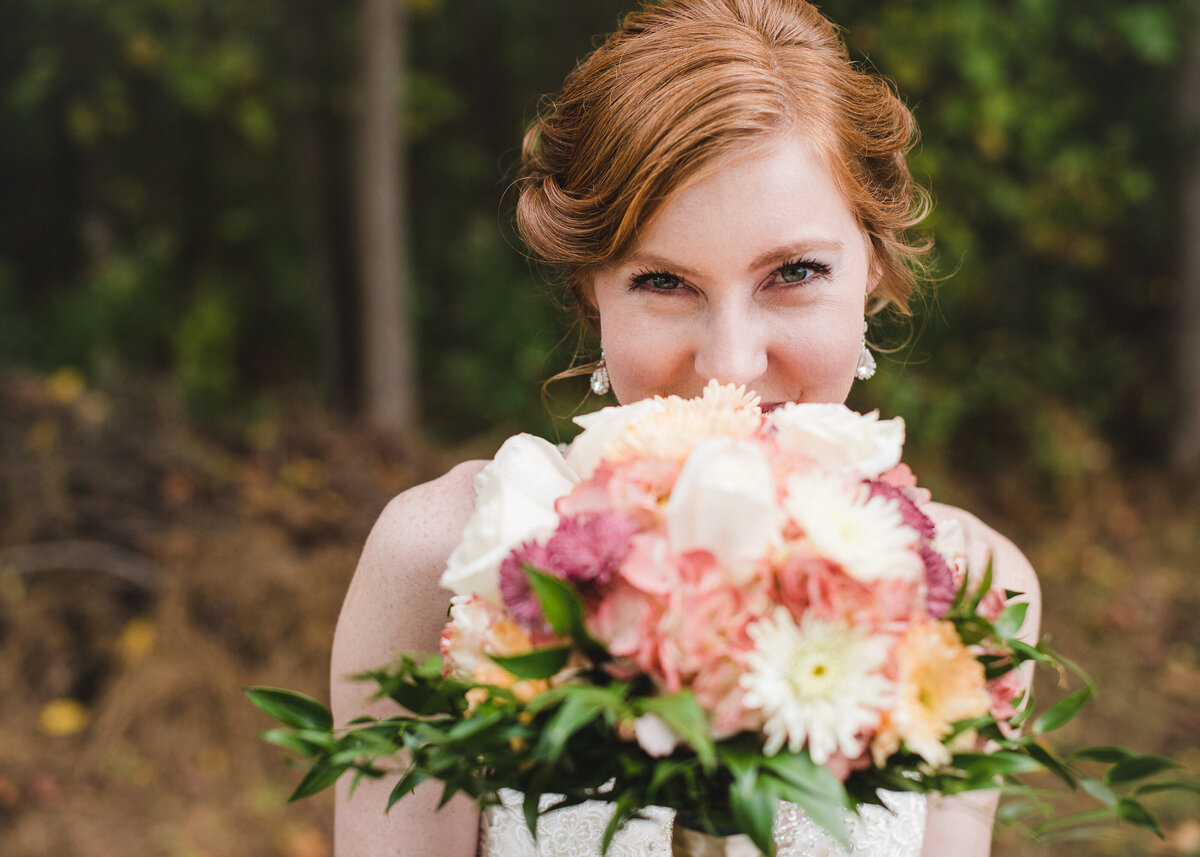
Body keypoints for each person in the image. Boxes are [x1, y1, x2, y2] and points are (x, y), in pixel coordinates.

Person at [330, 0, 1042, 855]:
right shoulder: (444, 555)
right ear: (592, 291)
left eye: (794, 273)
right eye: (665, 283)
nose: (731, 364)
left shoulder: (975, 589)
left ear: (875, 266)